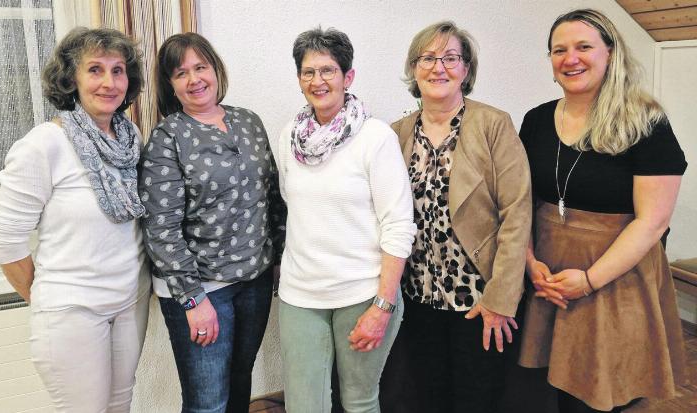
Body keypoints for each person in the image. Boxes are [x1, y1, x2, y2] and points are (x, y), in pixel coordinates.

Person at [518, 9, 688, 413]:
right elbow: (521, 200)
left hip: (615, 277)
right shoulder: (537, 120)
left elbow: (653, 221)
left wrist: (590, 280)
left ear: (610, 54)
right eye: (559, 50)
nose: (570, 58)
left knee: (601, 397)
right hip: (549, 274)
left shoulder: (645, 121)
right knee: (553, 393)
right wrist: (528, 262)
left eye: (583, 47)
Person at [0, 27, 149, 412]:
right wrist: (50, 299)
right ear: (71, 79)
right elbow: (6, 243)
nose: (109, 82)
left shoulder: (130, 139)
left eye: (118, 70)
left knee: (120, 405)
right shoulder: (43, 145)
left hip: (129, 303)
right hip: (72, 311)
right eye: (95, 69)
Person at [381, 21, 533, 413]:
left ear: (466, 68)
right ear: (414, 69)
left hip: (478, 299)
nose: (438, 68)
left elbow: (517, 213)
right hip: (417, 297)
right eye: (427, 58)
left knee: (476, 398)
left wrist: (501, 299)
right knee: (427, 395)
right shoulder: (396, 134)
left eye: (450, 58)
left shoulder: (492, 124)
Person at [139, 32, 285, 413]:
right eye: (181, 73)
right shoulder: (167, 137)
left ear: (215, 69)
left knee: (240, 384)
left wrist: (281, 258)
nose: (194, 79)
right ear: (170, 85)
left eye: (200, 67)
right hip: (203, 291)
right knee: (208, 402)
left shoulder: (248, 122)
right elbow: (161, 228)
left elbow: (271, 198)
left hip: (254, 280)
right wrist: (193, 299)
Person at [273, 27, 416, 413]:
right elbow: (292, 204)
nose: (317, 81)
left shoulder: (375, 137)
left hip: (363, 295)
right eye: (308, 72)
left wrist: (382, 306)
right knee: (305, 405)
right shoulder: (289, 136)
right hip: (300, 294)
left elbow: (399, 225)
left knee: (359, 401)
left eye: (328, 70)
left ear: (347, 77)